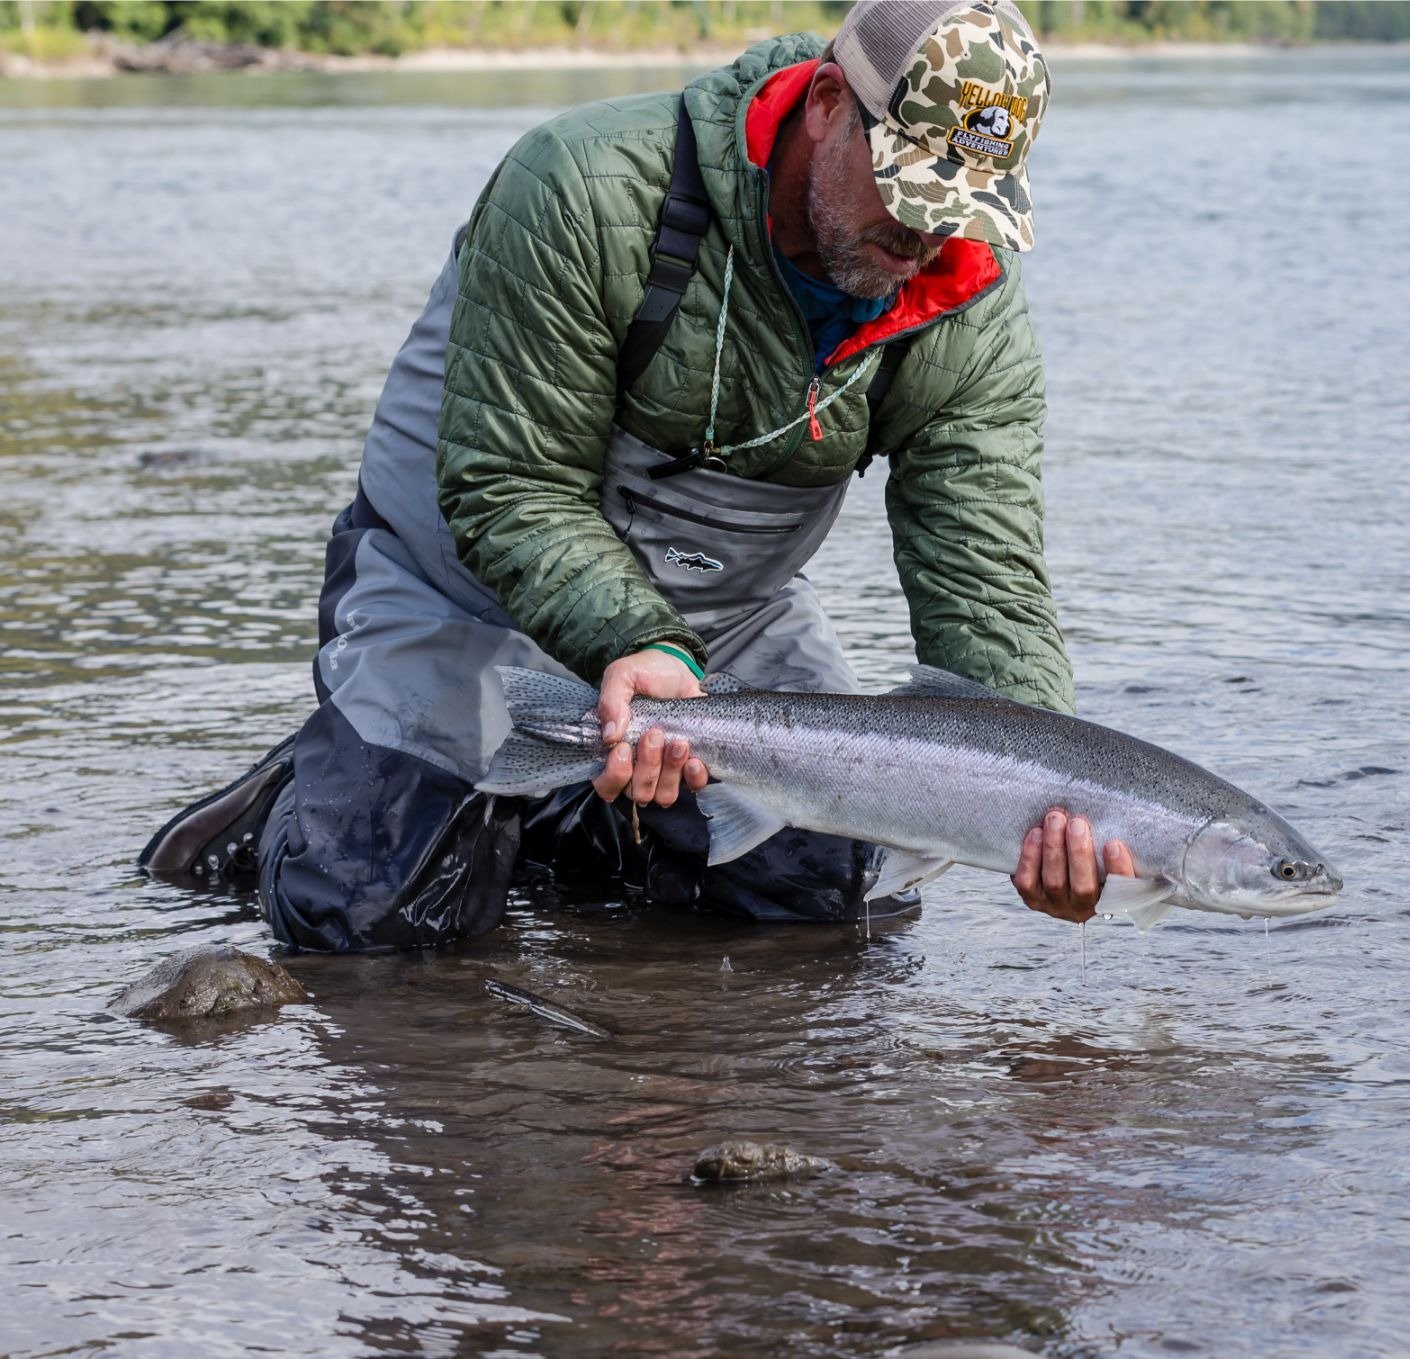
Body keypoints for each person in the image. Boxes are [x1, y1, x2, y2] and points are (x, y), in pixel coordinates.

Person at [138, 0, 1136, 950]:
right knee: (368, 924)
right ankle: (328, 788)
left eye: (965, 207)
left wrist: (1040, 798)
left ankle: (562, 808)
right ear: (827, 101)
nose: (927, 235)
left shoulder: (963, 295)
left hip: (723, 618)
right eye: (910, 187)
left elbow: (983, 572)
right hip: (460, 585)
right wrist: (636, 645)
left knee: (828, 906)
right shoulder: (585, 183)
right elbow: (508, 483)